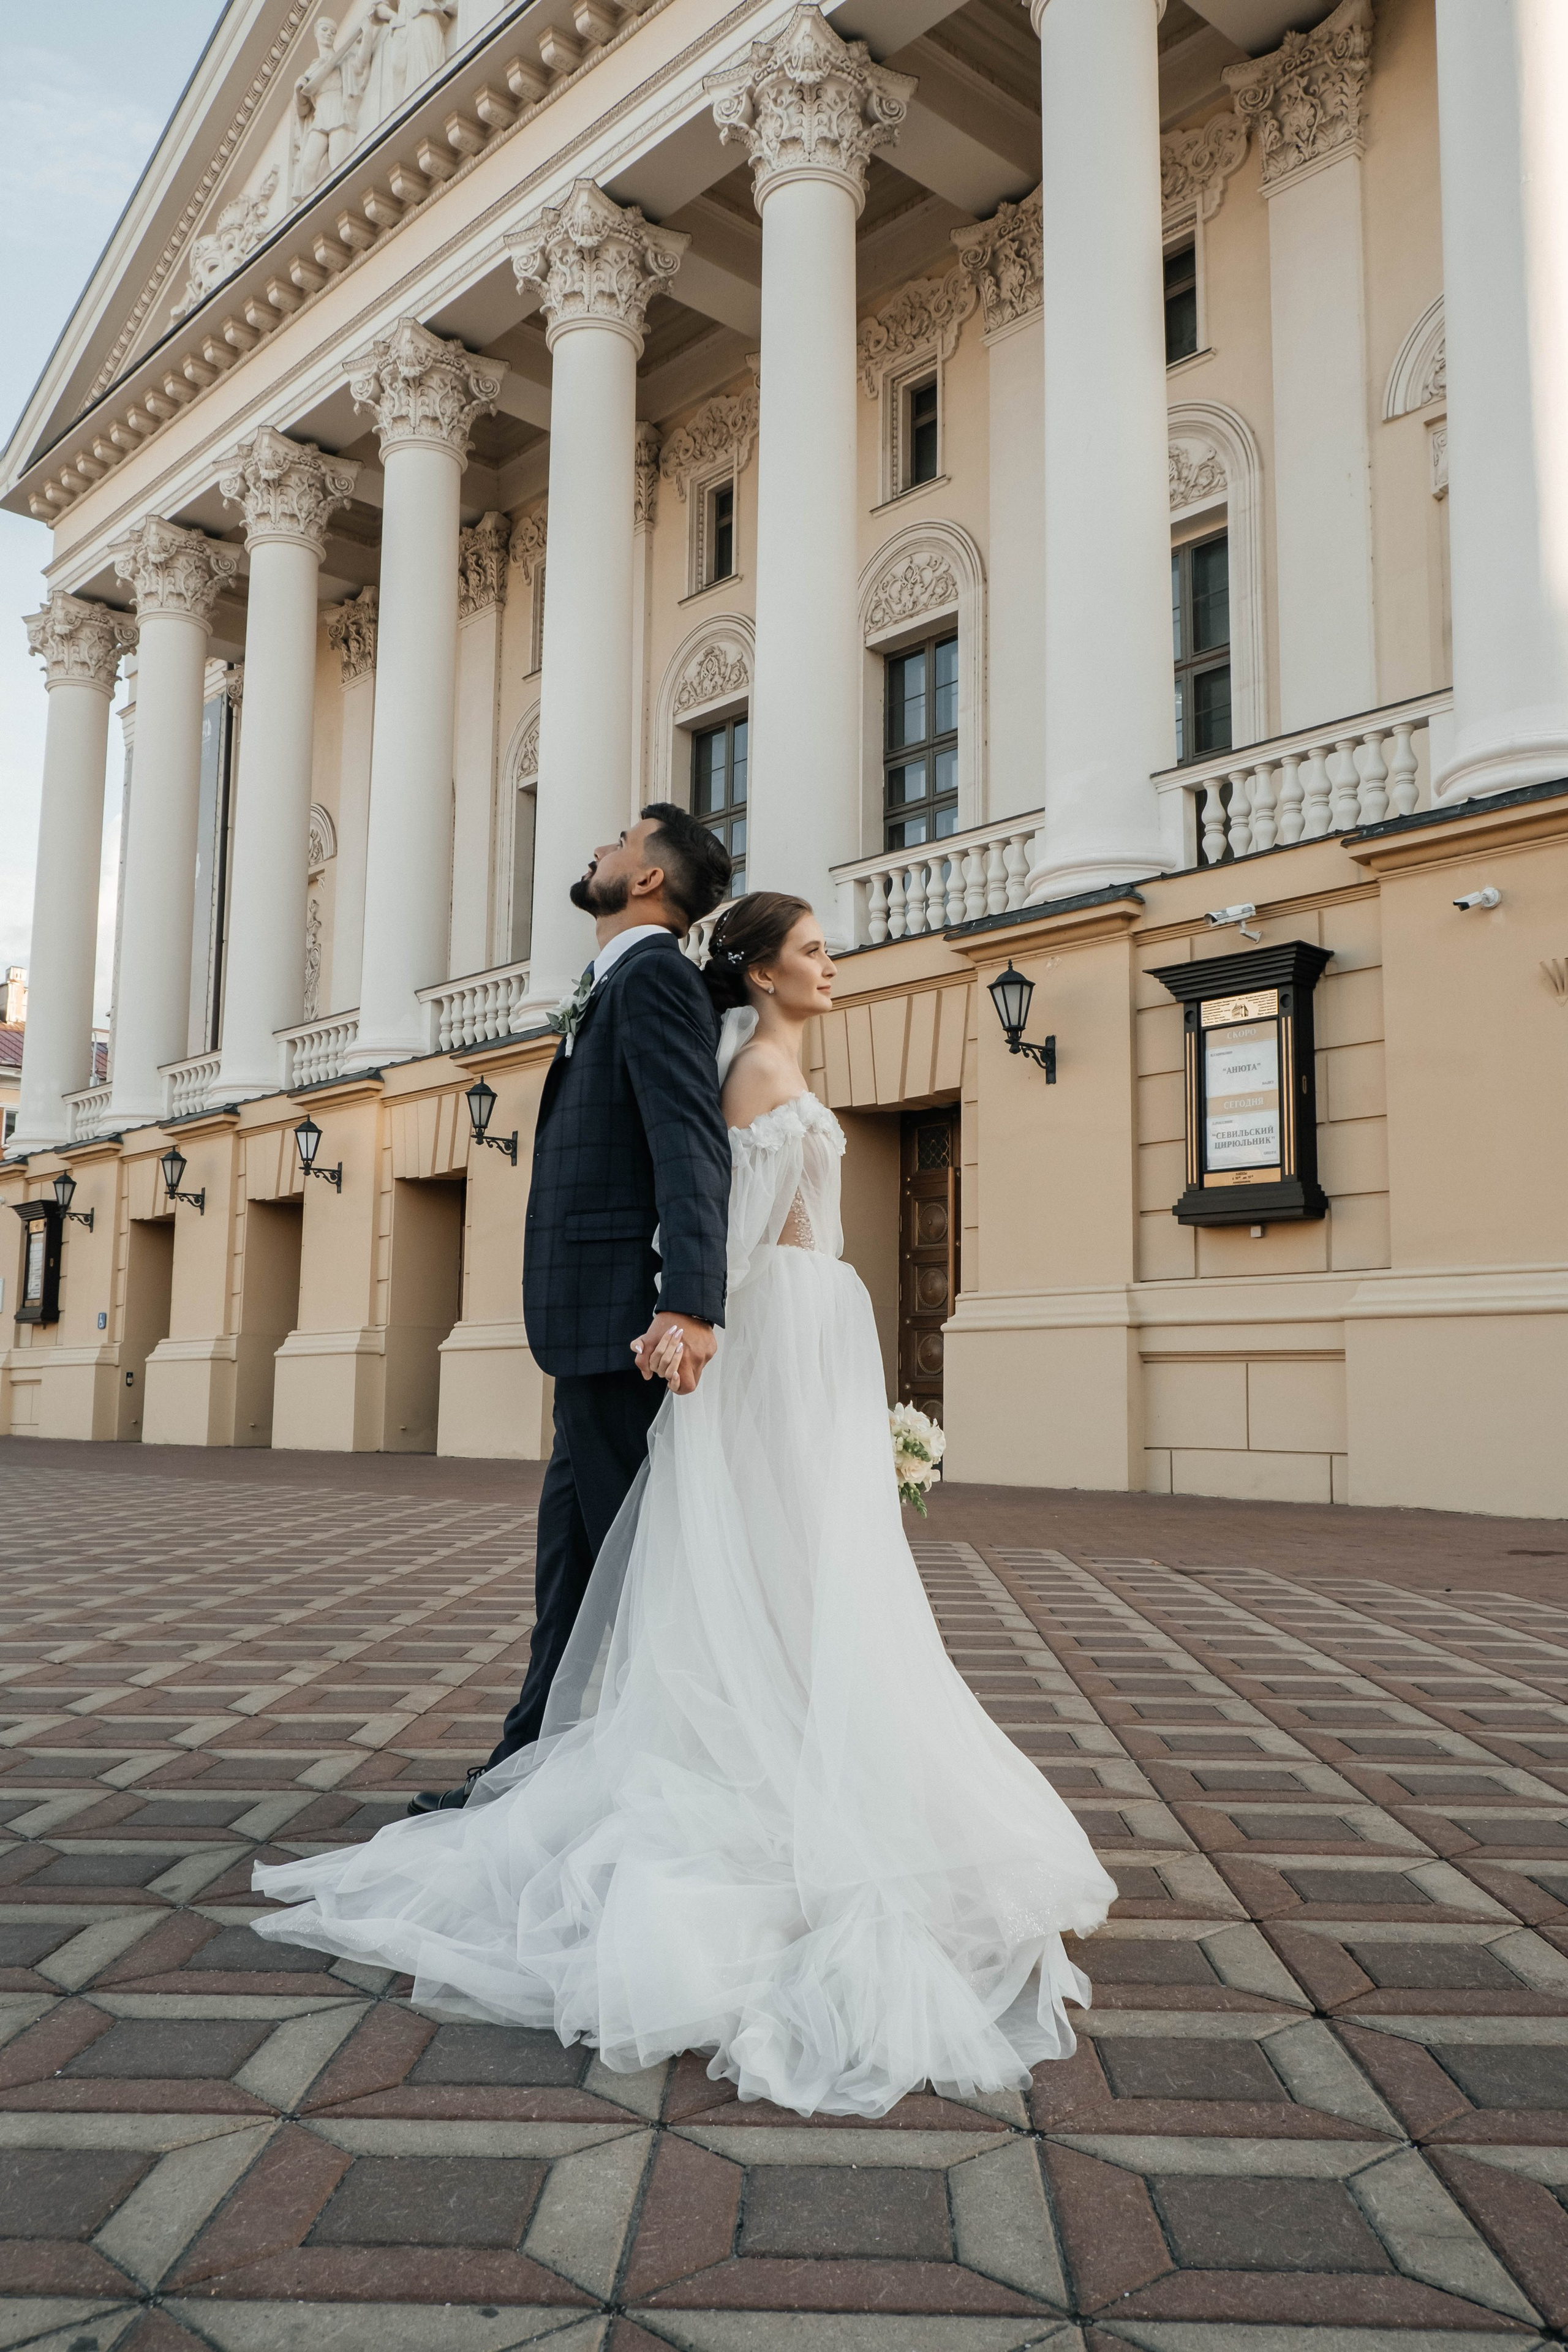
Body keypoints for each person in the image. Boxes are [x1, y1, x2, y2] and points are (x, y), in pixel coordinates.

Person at [253, 894, 1116, 2117]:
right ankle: (753, 1774)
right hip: (775, 1336)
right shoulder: (755, 1072)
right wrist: (691, 1322)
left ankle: (792, 1755)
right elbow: (728, 1229)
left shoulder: (778, 1065)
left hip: (814, 1337)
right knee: (767, 1565)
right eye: (811, 950)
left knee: (806, 1570)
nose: (831, 965)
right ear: (760, 972)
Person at [405, 804, 733, 1815]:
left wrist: (690, 1304)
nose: (600, 847)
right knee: (575, 1571)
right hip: (592, 1328)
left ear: (650, 878)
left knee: (633, 1573)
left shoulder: (655, 980)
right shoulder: (617, 981)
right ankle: (524, 1770)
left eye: (622, 839)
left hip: (625, 1328)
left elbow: (689, 1144)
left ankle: (678, 1785)